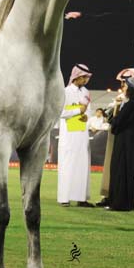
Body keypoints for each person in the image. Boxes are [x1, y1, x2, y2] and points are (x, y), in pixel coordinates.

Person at [98, 68, 134, 211]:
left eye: (125, 85)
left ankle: (119, 204)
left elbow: (117, 122)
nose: (123, 88)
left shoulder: (131, 104)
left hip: (125, 141)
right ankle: (128, 203)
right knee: (128, 173)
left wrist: (113, 116)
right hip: (132, 142)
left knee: (120, 170)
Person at [57, 63, 94, 207]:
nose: (86, 80)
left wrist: (86, 116)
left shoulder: (86, 92)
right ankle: (64, 198)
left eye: (87, 77)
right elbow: (60, 112)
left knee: (83, 166)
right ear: (76, 77)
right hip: (69, 136)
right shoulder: (65, 92)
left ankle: (81, 198)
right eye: (83, 77)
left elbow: (88, 111)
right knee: (68, 165)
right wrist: (78, 111)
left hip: (82, 135)